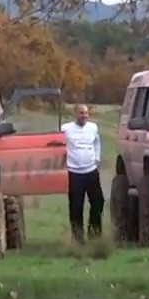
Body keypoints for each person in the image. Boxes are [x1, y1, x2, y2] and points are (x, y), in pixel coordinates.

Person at [62, 104, 104, 242]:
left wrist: (97, 158)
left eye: (86, 113)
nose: (84, 116)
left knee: (98, 202)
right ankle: (78, 237)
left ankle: (95, 233)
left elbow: (97, 142)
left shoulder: (93, 127)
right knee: (76, 206)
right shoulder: (66, 129)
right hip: (74, 173)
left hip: (91, 171)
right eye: (81, 113)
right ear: (75, 114)